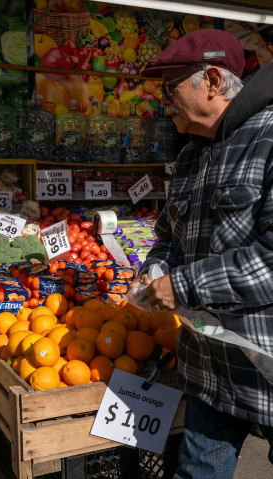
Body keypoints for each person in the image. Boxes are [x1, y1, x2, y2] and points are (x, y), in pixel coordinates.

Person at [137, 29, 273, 478]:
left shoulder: (269, 137)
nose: (164, 102)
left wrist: (184, 285)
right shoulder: (193, 154)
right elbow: (168, 238)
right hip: (208, 370)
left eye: (170, 88)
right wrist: (156, 269)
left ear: (213, 80)